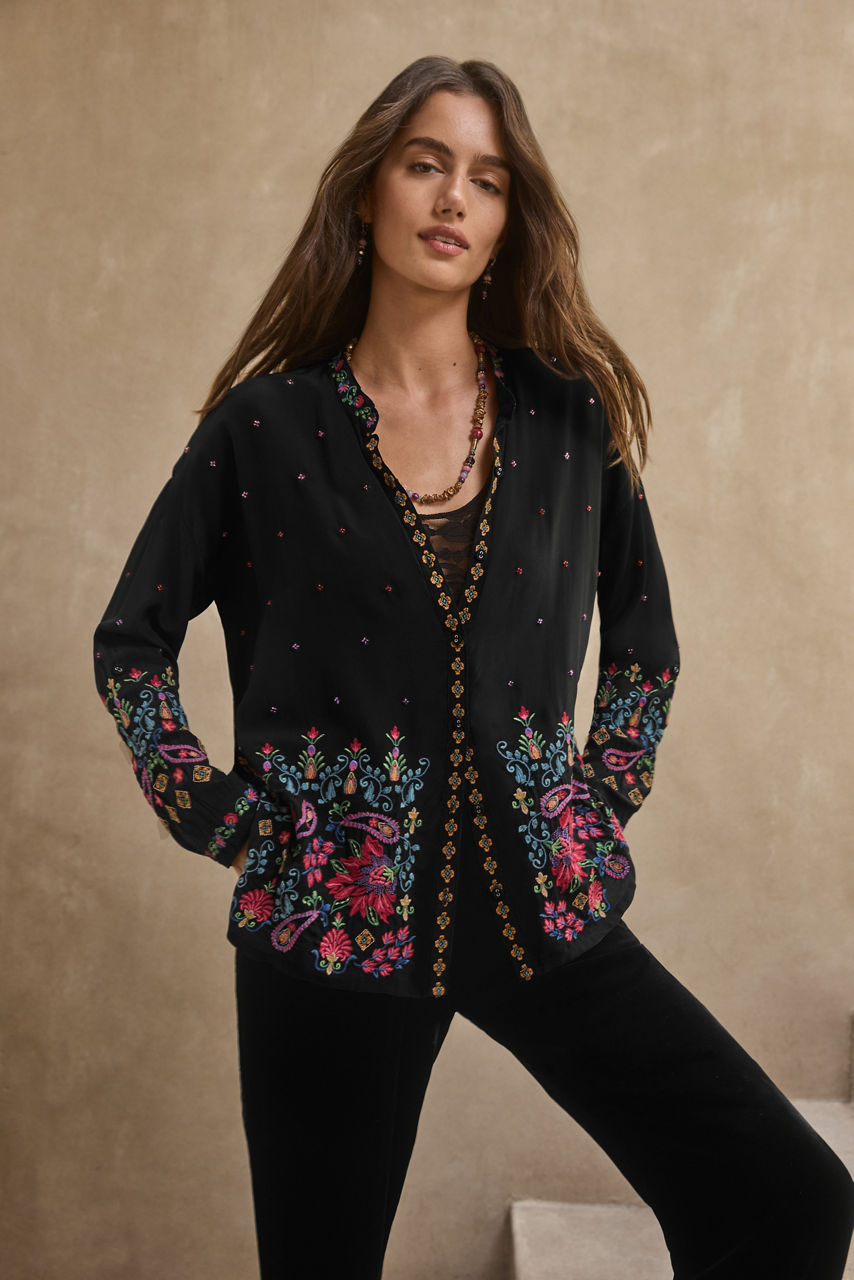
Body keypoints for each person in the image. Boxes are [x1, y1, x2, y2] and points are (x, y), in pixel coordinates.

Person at [93, 55, 853, 1280]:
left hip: (534, 891)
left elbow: (643, 639)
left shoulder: (567, 419)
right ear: (368, 192)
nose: (454, 197)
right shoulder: (262, 429)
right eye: (425, 163)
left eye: (488, 179)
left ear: (507, 221)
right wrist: (220, 816)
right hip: (330, 916)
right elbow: (131, 642)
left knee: (787, 1197)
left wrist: (596, 795)